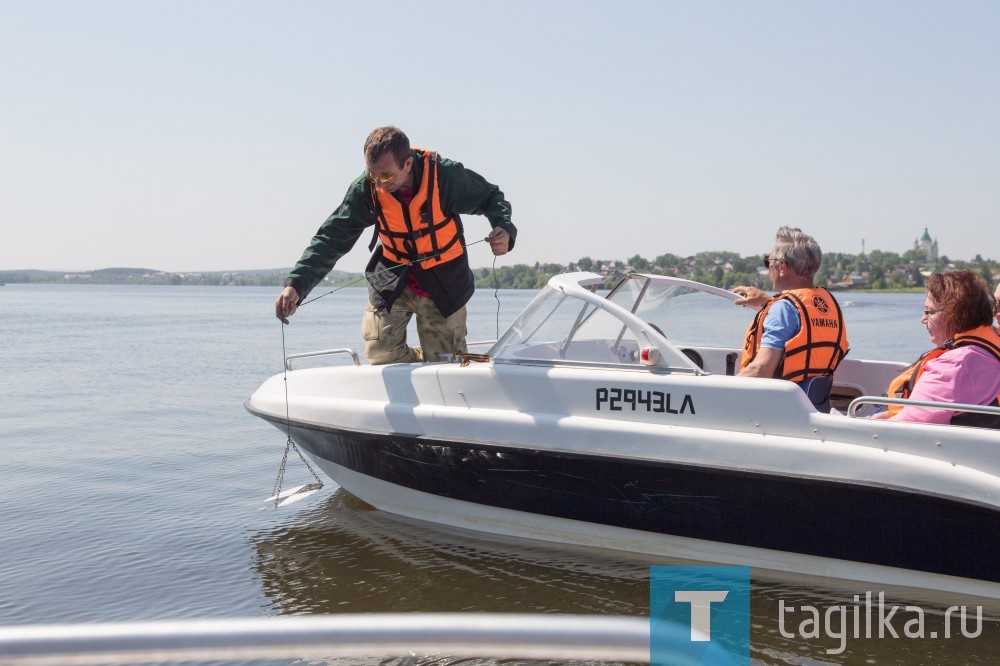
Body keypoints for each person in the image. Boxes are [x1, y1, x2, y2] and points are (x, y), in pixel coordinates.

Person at [275, 126, 517, 364]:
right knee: (380, 352)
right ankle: (420, 364)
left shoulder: (445, 177)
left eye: (387, 175)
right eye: (373, 175)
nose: (379, 183)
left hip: (443, 283)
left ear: (408, 164)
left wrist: (504, 228)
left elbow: (491, 196)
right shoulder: (367, 188)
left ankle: (434, 361)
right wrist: (297, 284)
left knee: (446, 365)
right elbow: (332, 237)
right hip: (392, 279)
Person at [732, 226, 849, 413]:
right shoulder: (827, 305)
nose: (768, 267)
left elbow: (762, 369)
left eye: (768, 261)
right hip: (814, 410)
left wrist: (719, 389)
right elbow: (800, 318)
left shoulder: (784, 308)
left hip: (779, 415)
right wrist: (767, 301)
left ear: (783, 266)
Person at [879, 270, 1000, 428]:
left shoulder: (955, 366)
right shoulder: (984, 354)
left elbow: (903, 429)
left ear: (953, 313)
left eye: (928, 312)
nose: (923, 319)